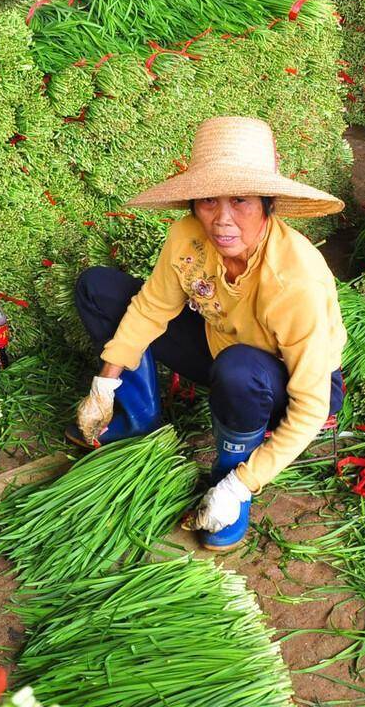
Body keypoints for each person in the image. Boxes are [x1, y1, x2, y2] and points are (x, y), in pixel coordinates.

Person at [66, 116, 347, 550]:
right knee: (99, 288)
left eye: (240, 200)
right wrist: (105, 383)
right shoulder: (188, 236)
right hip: (222, 347)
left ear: (268, 204)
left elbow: (311, 406)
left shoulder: (294, 281)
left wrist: (240, 484)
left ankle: (228, 476)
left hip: (286, 385)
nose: (222, 219)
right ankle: (138, 418)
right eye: (208, 201)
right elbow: (151, 308)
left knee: (240, 370)